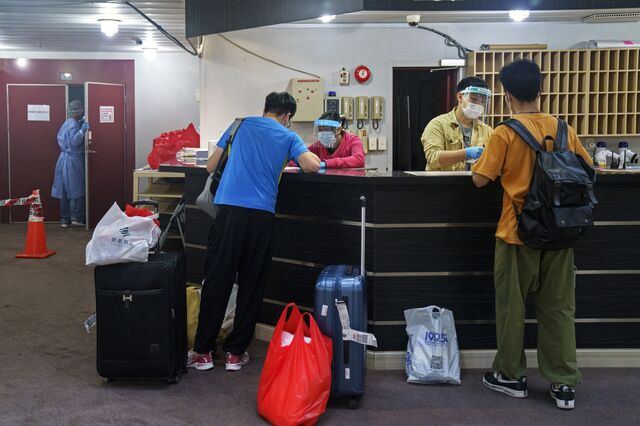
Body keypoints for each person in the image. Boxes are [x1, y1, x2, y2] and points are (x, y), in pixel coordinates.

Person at [471, 59, 593, 410]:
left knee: (512, 306)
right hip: (561, 231)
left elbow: (480, 179)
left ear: (507, 95)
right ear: (541, 90)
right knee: (558, 308)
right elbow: (587, 169)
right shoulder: (565, 129)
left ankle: (510, 376)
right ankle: (563, 383)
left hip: (517, 233)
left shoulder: (505, 132)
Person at [189, 92, 321, 372]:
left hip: (229, 214)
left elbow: (211, 166)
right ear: (287, 117)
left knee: (218, 279)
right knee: (252, 282)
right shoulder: (288, 136)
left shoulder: (240, 125)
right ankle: (236, 354)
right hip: (262, 216)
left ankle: (203, 352)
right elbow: (312, 165)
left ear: (266, 109)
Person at [421, 76, 493, 171]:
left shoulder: (487, 130)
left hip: (474, 184)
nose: (478, 105)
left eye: (482, 102)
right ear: (460, 97)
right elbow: (433, 158)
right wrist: (465, 153)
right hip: (443, 184)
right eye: (474, 99)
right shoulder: (438, 124)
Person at [51, 100, 89, 227]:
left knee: (64, 190)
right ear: (80, 111)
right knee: (77, 188)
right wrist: (82, 131)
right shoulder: (74, 125)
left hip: (63, 159)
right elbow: (74, 142)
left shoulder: (67, 123)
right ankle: (77, 218)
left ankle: (64, 220)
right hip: (73, 160)